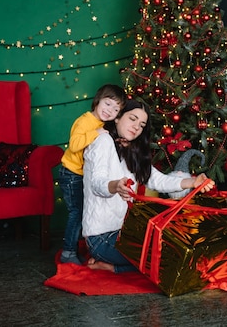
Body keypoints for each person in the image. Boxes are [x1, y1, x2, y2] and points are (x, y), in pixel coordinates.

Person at [82, 99, 215, 273]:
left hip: (125, 232)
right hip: (101, 238)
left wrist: (193, 182)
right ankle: (113, 266)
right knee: (166, 258)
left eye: (142, 124)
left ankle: (112, 266)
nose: (137, 126)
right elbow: (97, 184)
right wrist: (116, 186)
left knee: (175, 249)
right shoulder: (102, 141)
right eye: (132, 118)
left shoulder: (130, 149)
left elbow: (158, 180)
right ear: (117, 117)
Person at [57, 84, 127, 264]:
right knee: (77, 212)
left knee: (83, 209)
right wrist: (94, 133)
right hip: (71, 173)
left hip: (80, 174)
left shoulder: (101, 125)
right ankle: (68, 252)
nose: (110, 110)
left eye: (115, 108)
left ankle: (78, 246)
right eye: (108, 103)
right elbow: (74, 145)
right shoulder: (85, 121)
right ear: (97, 101)